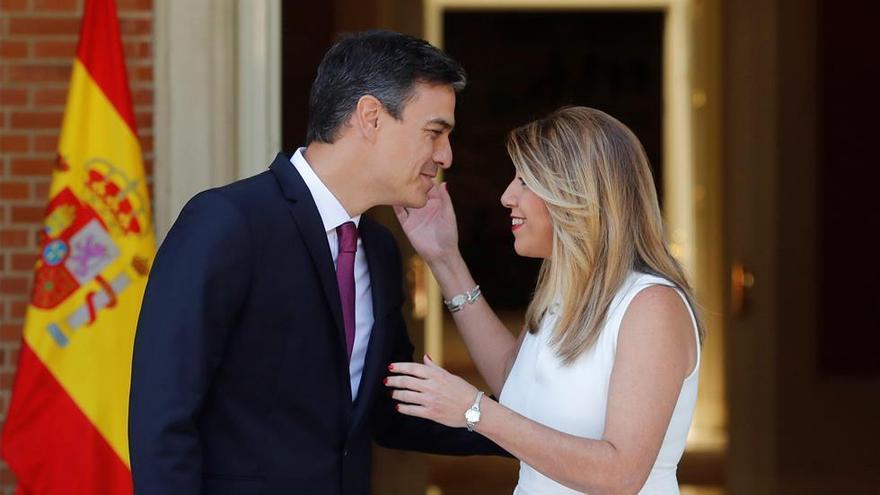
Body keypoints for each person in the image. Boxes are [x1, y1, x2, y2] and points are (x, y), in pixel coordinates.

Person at [129, 30, 504, 495]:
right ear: (370, 117)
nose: (445, 155)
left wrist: (531, 432)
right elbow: (162, 418)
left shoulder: (381, 251)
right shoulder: (227, 223)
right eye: (435, 132)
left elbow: (390, 412)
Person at [387, 106, 703, 494]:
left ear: (577, 193)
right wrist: (444, 258)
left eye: (525, 180)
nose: (506, 197)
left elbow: (620, 474)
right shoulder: (561, 293)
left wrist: (475, 411)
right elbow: (514, 381)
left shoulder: (651, 306)